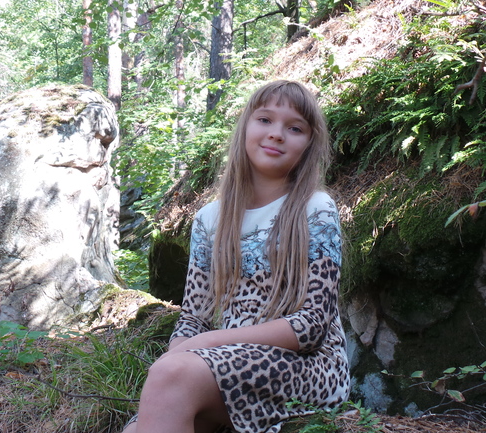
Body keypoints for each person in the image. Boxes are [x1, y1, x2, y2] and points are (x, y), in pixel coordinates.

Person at [123, 80, 350, 433]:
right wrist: (179, 353)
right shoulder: (210, 219)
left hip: (308, 367)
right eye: (265, 120)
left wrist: (203, 345)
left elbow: (311, 326)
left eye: (294, 128)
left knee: (171, 378)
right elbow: (193, 319)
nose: (276, 134)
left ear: (308, 145)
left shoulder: (315, 209)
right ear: (245, 127)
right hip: (227, 362)